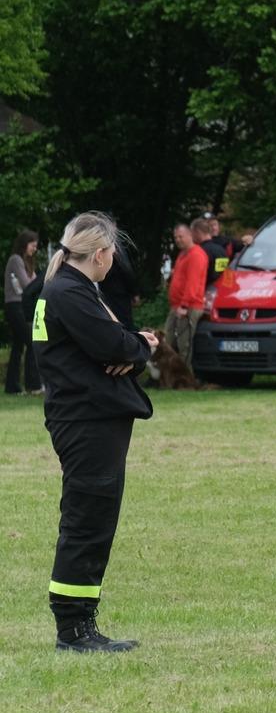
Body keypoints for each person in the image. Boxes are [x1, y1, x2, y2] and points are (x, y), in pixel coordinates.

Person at [36, 212, 158, 652]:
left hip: (88, 418)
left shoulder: (70, 289)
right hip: (86, 420)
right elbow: (113, 344)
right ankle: (73, 630)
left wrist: (129, 348)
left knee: (94, 519)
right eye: (113, 254)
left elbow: (114, 345)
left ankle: (82, 624)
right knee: (87, 522)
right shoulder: (70, 292)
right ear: (101, 254)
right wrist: (139, 345)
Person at [166, 222, 208, 371]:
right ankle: (168, 375)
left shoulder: (196, 255)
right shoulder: (183, 254)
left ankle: (184, 377)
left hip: (188, 307)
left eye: (181, 236)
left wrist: (184, 305)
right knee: (168, 342)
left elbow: (193, 283)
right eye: (175, 237)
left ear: (190, 235)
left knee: (184, 345)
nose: (178, 240)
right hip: (176, 306)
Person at [5, 229, 38, 394]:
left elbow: (33, 283)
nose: (35, 249)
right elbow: (28, 285)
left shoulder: (26, 262)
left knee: (18, 346)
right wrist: (36, 284)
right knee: (31, 342)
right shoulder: (16, 259)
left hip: (20, 306)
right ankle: (33, 385)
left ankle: (12, 386)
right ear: (25, 244)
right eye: (33, 245)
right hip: (15, 306)